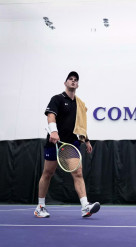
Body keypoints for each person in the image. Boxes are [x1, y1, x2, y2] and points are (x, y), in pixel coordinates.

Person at [34, 71, 100, 218]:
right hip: (55, 142)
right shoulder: (57, 99)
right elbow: (51, 115)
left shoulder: (79, 104)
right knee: (48, 173)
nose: (73, 81)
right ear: (65, 83)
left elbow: (80, 125)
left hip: (71, 143)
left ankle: (85, 206)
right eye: (70, 79)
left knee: (78, 173)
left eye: (75, 80)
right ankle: (40, 206)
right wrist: (54, 132)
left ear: (77, 85)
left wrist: (87, 140)